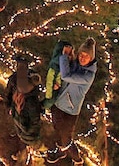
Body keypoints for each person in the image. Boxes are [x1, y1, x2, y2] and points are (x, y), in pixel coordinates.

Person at [45, 37, 97, 165]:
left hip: (69, 110)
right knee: (57, 129)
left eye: (86, 56)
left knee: (66, 138)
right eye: (81, 54)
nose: (82, 58)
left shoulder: (88, 76)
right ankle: (61, 151)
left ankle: (77, 159)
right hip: (58, 104)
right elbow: (64, 76)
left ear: (91, 58)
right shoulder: (76, 64)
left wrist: (64, 56)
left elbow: (66, 75)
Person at [5, 56, 44, 165]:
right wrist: (9, 106)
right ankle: (22, 152)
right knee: (19, 135)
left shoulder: (31, 103)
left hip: (25, 126)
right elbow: (8, 94)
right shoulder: (14, 80)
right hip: (18, 118)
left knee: (24, 140)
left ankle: (24, 158)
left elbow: (34, 122)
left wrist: (27, 133)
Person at [43, 39, 73, 112]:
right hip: (56, 87)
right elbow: (50, 79)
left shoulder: (67, 61)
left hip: (61, 86)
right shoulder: (56, 63)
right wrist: (49, 95)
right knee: (51, 101)